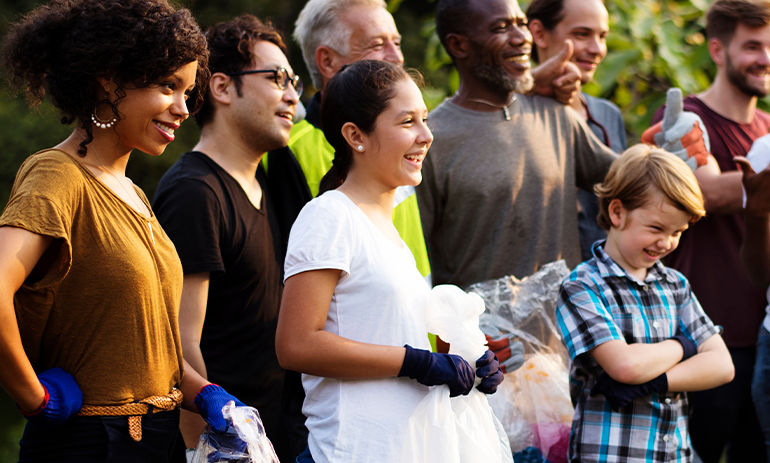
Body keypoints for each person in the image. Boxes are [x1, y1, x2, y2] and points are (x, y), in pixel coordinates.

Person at [0, 1, 244, 461]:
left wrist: (207, 393)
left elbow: (148, 346)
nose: (183, 108)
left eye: (188, 92)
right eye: (169, 86)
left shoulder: (134, 193)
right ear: (109, 80)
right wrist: (34, 396)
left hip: (157, 437)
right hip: (89, 443)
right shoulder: (57, 175)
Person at [275, 60, 504, 463]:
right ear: (355, 136)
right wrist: (416, 362)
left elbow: (388, 334)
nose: (426, 135)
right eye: (407, 122)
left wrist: (465, 359)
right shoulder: (329, 215)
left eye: (425, 120)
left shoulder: (390, 231)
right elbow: (296, 345)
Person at [267, 0, 583, 285]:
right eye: (378, 45)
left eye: (397, 42)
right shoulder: (291, 155)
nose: (397, 57)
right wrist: (408, 354)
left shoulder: (405, 141)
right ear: (327, 61)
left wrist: (526, 83)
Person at [152, 15, 303, 461]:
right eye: (276, 79)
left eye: (293, 81)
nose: (292, 95)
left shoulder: (272, 184)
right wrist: (211, 449)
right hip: (220, 446)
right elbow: (179, 346)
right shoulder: (195, 193)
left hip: (273, 438)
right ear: (221, 87)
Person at [417, 0, 618, 290]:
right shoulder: (430, 141)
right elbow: (412, 258)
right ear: (459, 46)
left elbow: (627, 179)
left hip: (566, 330)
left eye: (521, 24)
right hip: (480, 334)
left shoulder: (555, 114)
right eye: (500, 28)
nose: (522, 38)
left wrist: (667, 150)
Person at [557, 144, 734, 463]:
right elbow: (624, 365)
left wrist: (655, 380)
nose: (666, 243)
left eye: (678, 232)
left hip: (672, 454)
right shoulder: (582, 286)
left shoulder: (675, 285)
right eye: (655, 228)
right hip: (609, 455)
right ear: (617, 212)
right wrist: (684, 345)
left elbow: (722, 365)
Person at [649, 1, 770, 460]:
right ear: (717, 50)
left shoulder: (766, 131)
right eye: (753, 46)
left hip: (763, 336)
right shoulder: (687, 120)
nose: (766, 58)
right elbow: (707, 191)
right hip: (698, 338)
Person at [527, 0, 629, 262]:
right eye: (581, 34)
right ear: (539, 33)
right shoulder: (516, 115)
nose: (597, 49)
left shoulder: (608, 114)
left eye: (602, 36)